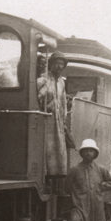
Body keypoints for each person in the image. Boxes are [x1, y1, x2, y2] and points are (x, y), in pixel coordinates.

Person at [36, 51, 74, 179]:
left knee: (59, 148)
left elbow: (63, 102)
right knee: (48, 148)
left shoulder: (62, 83)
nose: (59, 67)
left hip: (58, 121)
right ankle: (46, 175)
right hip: (47, 118)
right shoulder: (42, 79)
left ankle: (56, 177)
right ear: (51, 64)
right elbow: (38, 98)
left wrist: (64, 120)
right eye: (56, 63)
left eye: (61, 64)